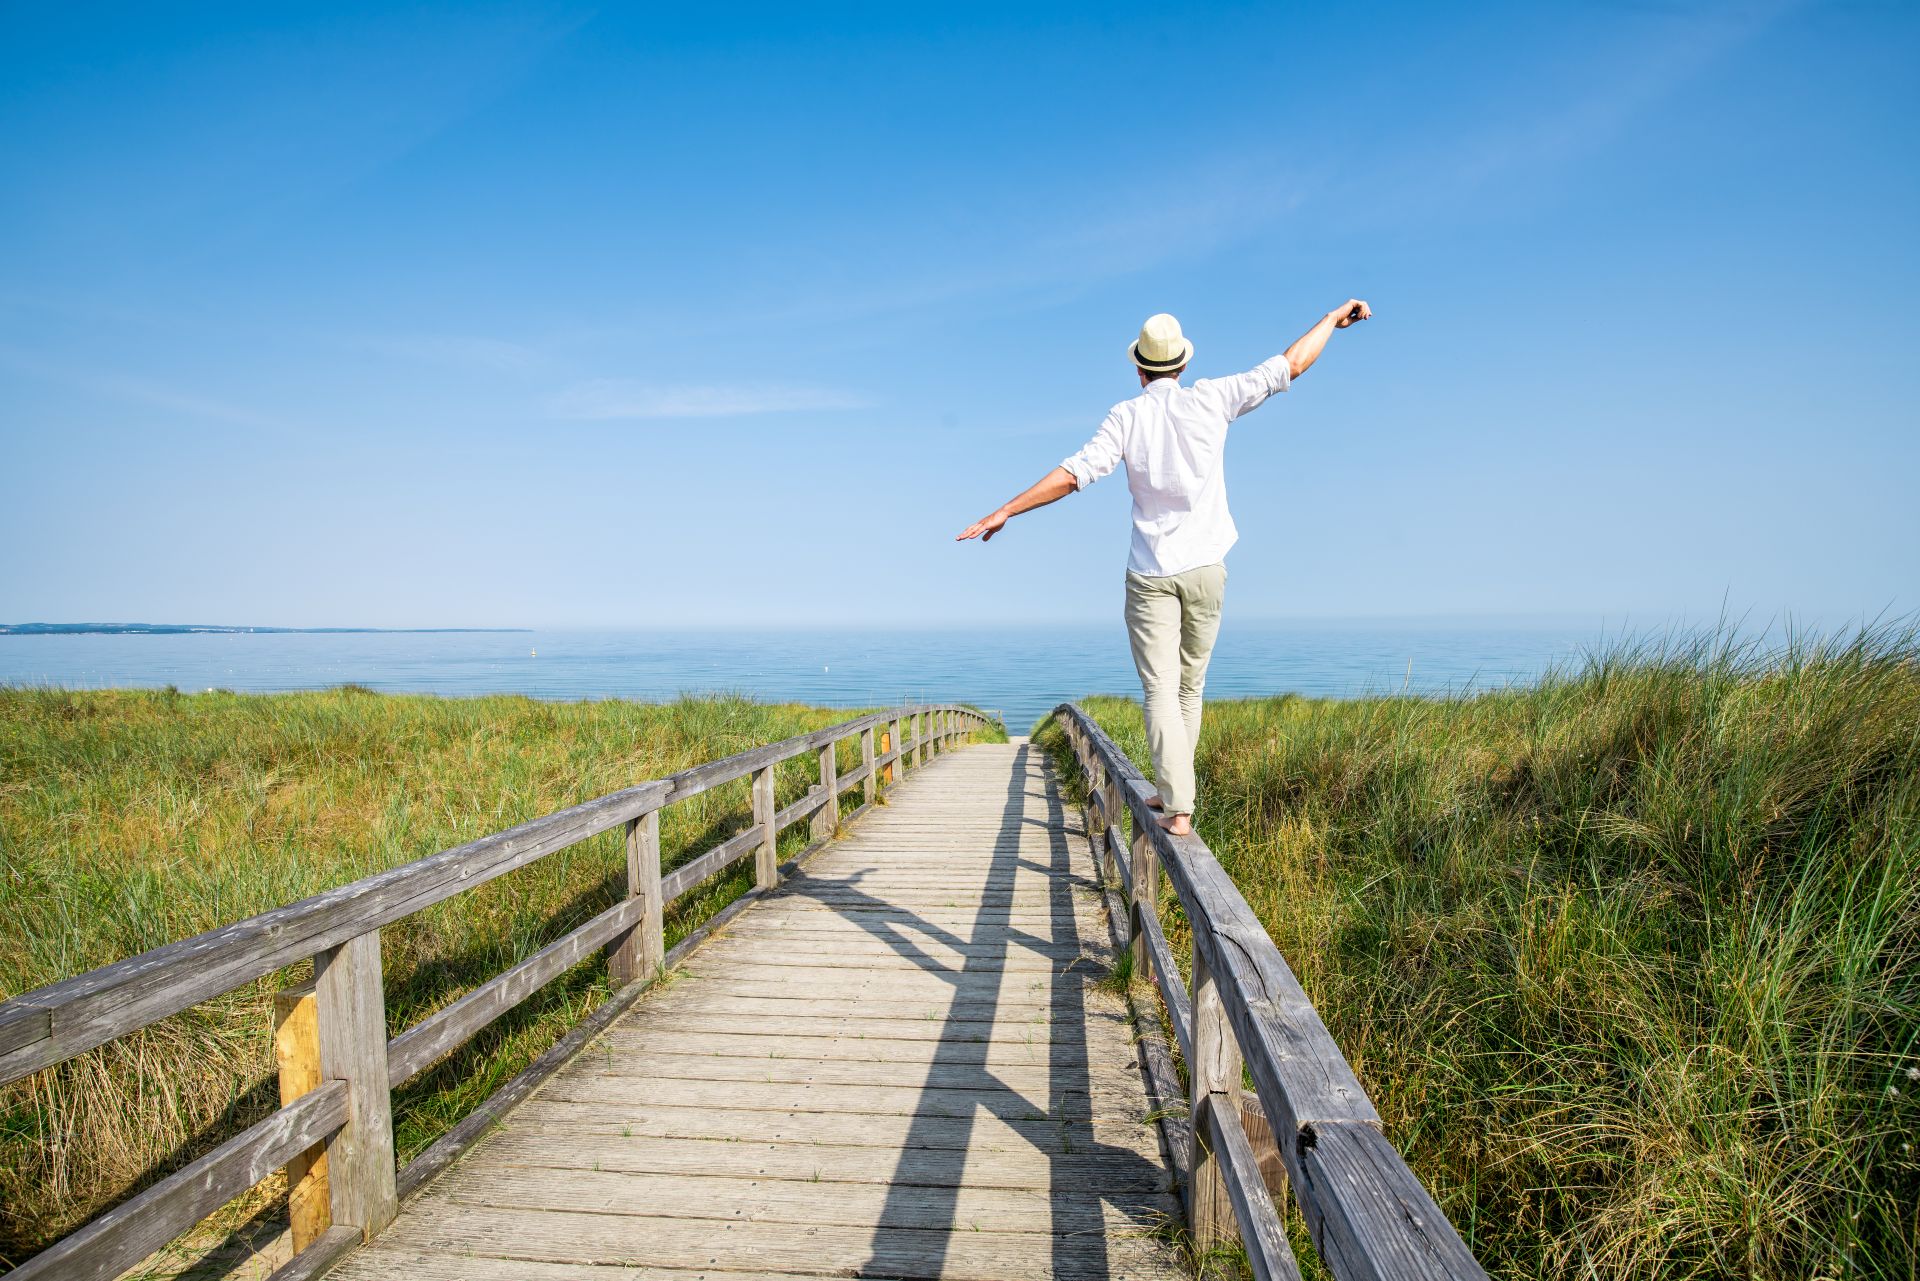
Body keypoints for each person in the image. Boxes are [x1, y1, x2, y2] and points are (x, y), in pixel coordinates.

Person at [955, 303, 1372, 834]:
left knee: (1159, 691)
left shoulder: (1126, 417)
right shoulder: (1213, 397)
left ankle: (1177, 802)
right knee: (1188, 690)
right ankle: (1176, 793)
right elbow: (1290, 364)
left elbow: (1074, 474)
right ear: (1182, 364)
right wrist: (1333, 318)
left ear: (1139, 369)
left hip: (1150, 573)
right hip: (1207, 570)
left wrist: (1006, 509)